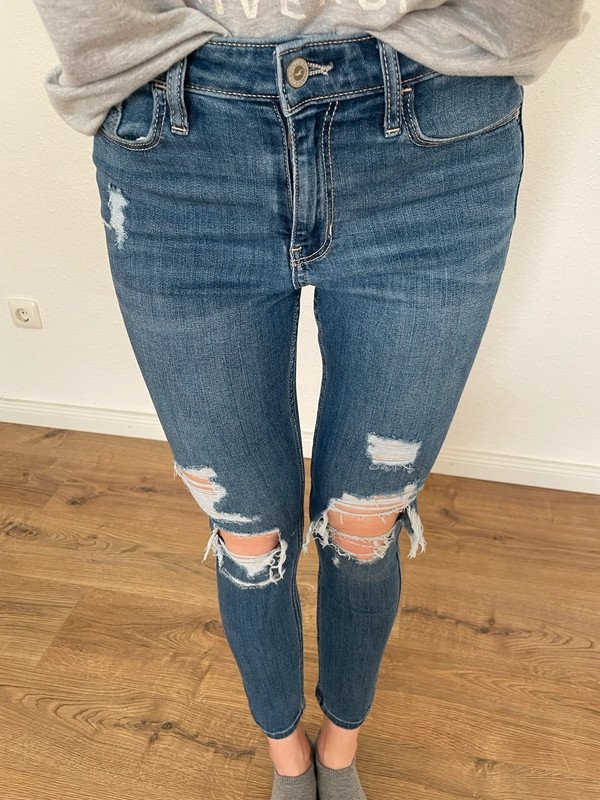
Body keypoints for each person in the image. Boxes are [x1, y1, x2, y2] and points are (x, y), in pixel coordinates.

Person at [32, 3, 588, 799]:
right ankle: (286, 755)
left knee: (364, 524)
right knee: (249, 534)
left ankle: (339, 746)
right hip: (176, 144)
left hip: (435, 134)